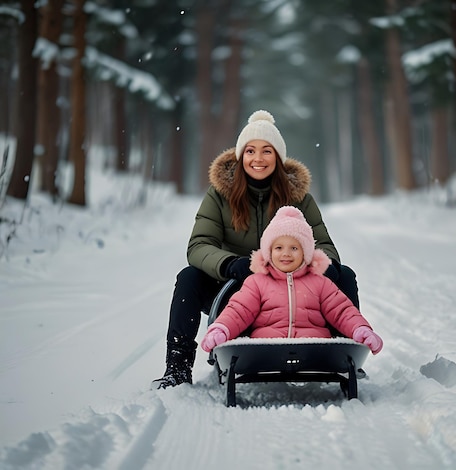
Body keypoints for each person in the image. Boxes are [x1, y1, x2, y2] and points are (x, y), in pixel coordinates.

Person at [152, 110, 361, 389]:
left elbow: (323, 243)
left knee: (344, 274)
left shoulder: (299, 197)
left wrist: (325, 264)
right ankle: (177, 367)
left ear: (278, 157)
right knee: (189, 277)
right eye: (250, 151)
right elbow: (199, 245)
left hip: (290, 292)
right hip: (235, 291)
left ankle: (344, 355)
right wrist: (229, 264)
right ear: (241, 156)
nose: (258, 159)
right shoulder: (219, 195)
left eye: (266, 151)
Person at [200, 206, 383, 354]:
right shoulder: (257, 282)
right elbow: (239, 311)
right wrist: (221, 329)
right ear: (268, 251)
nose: (286, 253)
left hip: (314, 347)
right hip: (266, 349)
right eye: (278, 247)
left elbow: (342, 311)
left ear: (306, 252)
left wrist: (361, 329)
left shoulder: (319, 282)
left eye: (294, 248)